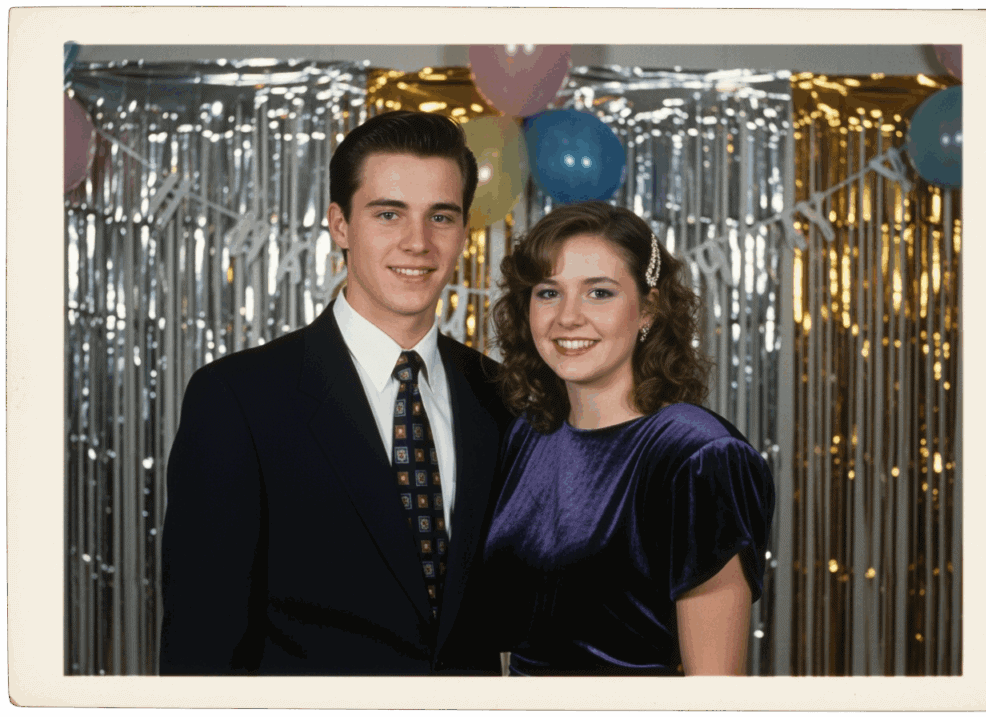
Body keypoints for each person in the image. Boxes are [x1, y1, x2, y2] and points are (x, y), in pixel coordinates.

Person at [159, 110, 511, 675]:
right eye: (389, 213)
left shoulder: (501, 396)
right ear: (340, 225)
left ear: (463, 230)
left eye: (440, 217)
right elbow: (202, 644)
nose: (417, 242)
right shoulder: (238, 400)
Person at [484, 201, 775, 676]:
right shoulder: (526, 437)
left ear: (649, 309)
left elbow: (715, 691)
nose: (568, 318)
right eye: (548, 292)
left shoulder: (697, 455)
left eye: (599, 292)